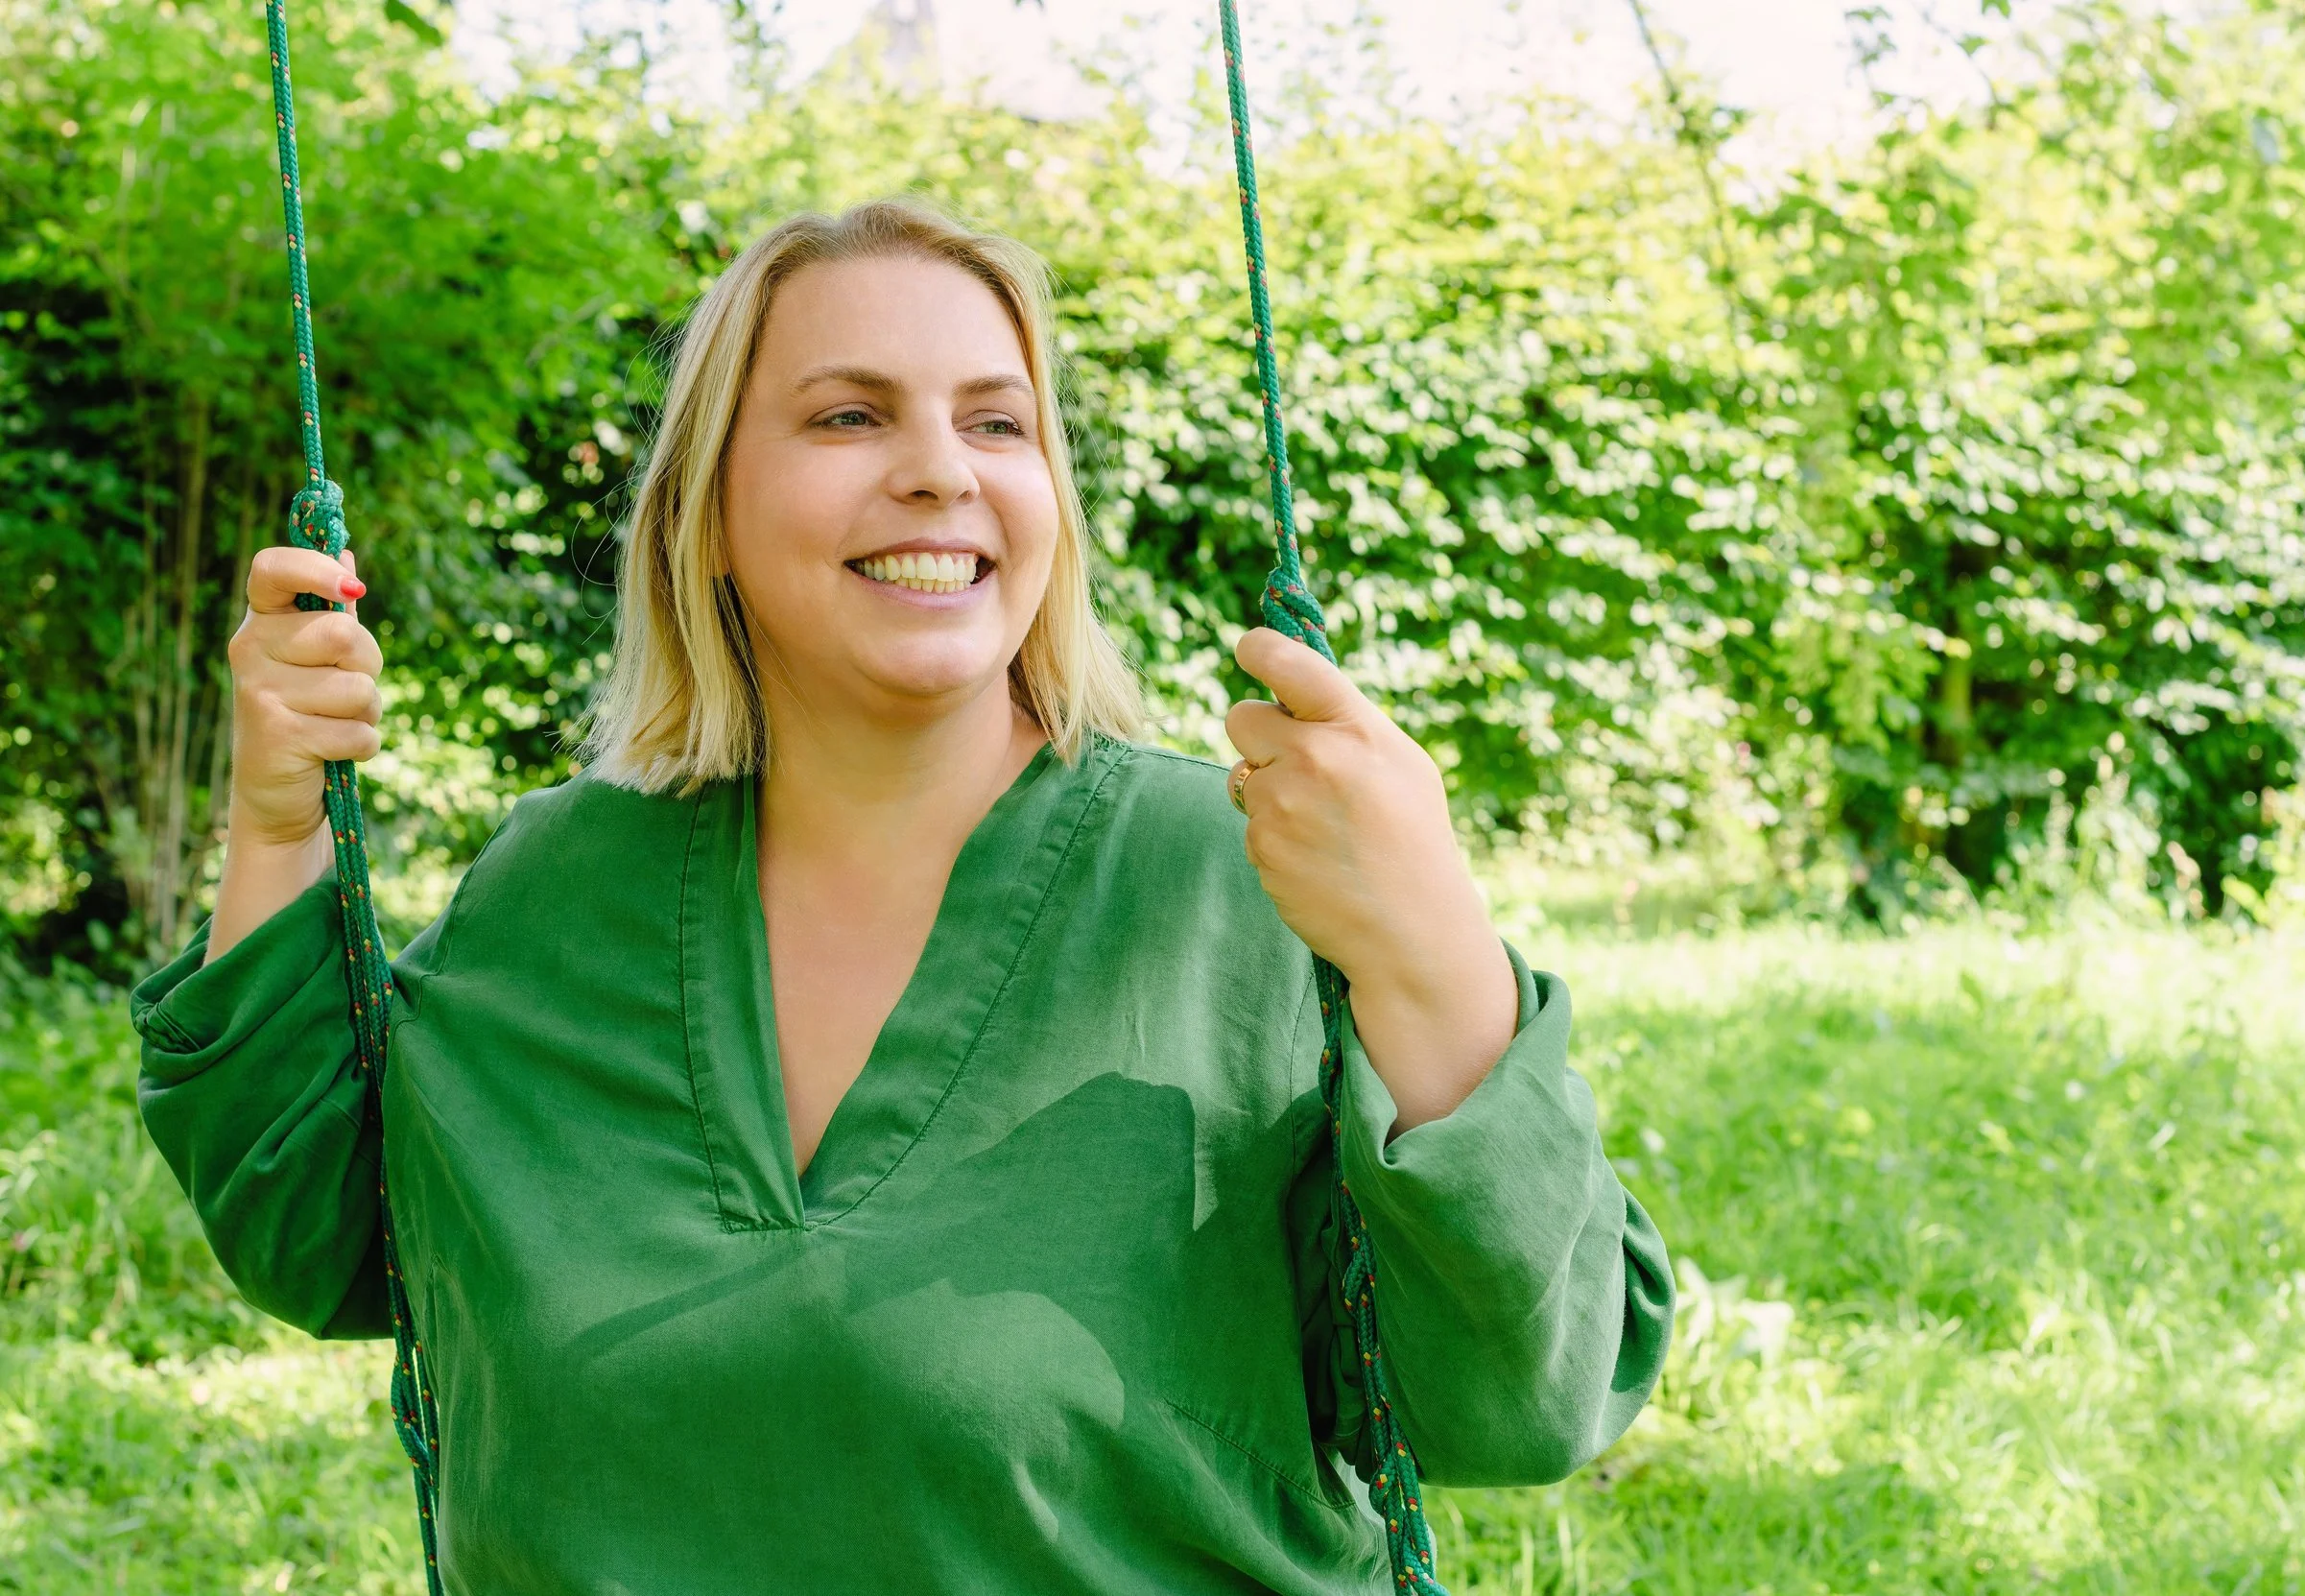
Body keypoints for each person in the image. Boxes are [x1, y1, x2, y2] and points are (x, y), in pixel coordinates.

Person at [130, 199, 1673, 1594]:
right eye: (849, 414)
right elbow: (318, 1218)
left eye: (998, 424)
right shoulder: (558, 888)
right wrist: (279, 812)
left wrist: (1428, 948)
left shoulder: (1237, 880)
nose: (938, 467)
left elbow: (1523, 1398)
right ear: (710, 510)